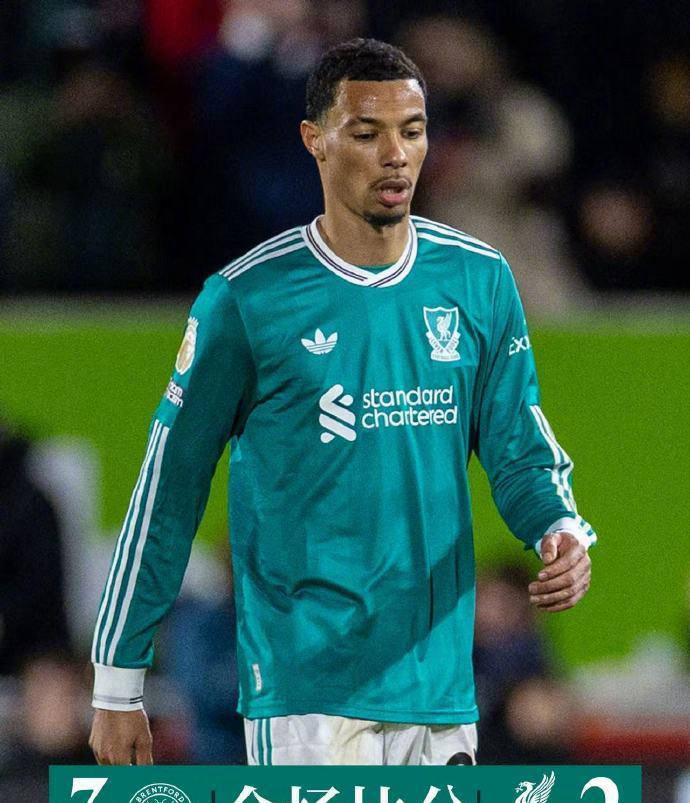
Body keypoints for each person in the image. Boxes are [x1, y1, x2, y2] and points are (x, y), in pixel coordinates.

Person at [89, 38, 596, 767]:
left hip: (440, 689)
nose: (395, 155)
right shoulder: (247, 300)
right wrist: (117, 683)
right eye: (366, 133)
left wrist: (557, 525)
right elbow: (168, 489)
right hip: (306, 695)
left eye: (412, 132)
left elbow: (517, 442)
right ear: (315, 140)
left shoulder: (479, 279)